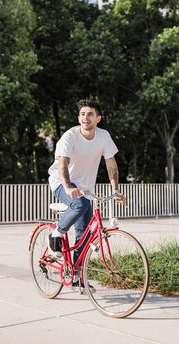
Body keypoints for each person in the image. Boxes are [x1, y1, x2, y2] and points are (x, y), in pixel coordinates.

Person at [47, 99, 125, 278]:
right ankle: (56, 233)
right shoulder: (70, 136)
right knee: (79, 205)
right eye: (82, 114)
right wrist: (67, 188)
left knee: (84, 234)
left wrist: (115, 190)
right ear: (78, 118)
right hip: (61, 182)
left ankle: (76, 277)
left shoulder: (104, 136)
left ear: (98, 118)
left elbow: (111, 165)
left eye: (90, 114)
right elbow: (62, 165)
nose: (85, 118)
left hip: (85, 188)